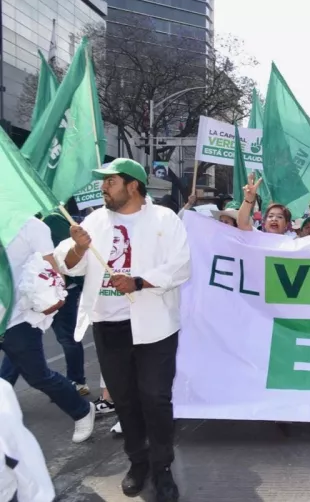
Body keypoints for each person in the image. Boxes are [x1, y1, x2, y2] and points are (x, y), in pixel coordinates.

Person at [54, 158, 191, 501]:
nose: (103, 188)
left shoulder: (164, 219)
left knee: (155, 399)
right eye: (104, 182)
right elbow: (68, 265)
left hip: (156, 326)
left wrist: (140, 282)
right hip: (109, 326)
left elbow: (181, 266)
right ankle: (138, 462)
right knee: (126, 402)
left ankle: (161, 468)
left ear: (133, 186)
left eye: (110, 182)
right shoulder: (95, 221)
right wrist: (78, 248)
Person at [0, 217, 95, 443]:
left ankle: (81, 410)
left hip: (18, 317)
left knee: (37, 376)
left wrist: (51, 301)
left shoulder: (31, 226)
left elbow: (52, 271)